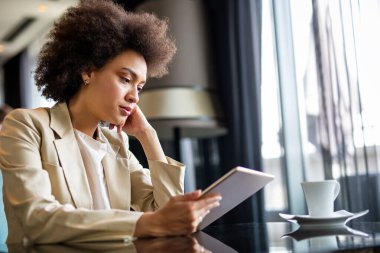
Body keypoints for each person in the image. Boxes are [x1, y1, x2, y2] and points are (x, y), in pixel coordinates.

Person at [0, 0, 221, 244]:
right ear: (87, 71)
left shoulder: (117, 144)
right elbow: (37, 220)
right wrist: (146, 223)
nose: (135, 96)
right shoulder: (26, 125)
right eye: (125, 79)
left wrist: (148, 136)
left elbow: (165, 212)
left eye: (140, 86)